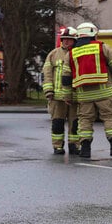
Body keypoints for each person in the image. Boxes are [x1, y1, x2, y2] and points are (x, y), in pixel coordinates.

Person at [63, 21, 112, 159]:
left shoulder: (71, 54)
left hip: (84, 95)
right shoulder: (102, 47)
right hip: (105, 92)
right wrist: (111, 79)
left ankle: (85, 150)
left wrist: (68, 96)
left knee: (85, 120)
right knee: (110, 119)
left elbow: (66, 78)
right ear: (93, 34)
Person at [42, 27, 78, 155]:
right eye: (64, 39)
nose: (66, 42)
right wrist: (49, 91)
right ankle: (57, 146)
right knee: (57, 122)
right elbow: (47, 74)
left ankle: (74, 145)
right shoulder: (53, 54)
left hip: (74, 96)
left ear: (75, 41)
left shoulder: (78, 53)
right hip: (57, 97)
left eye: (69, 40)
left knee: (75, 123)